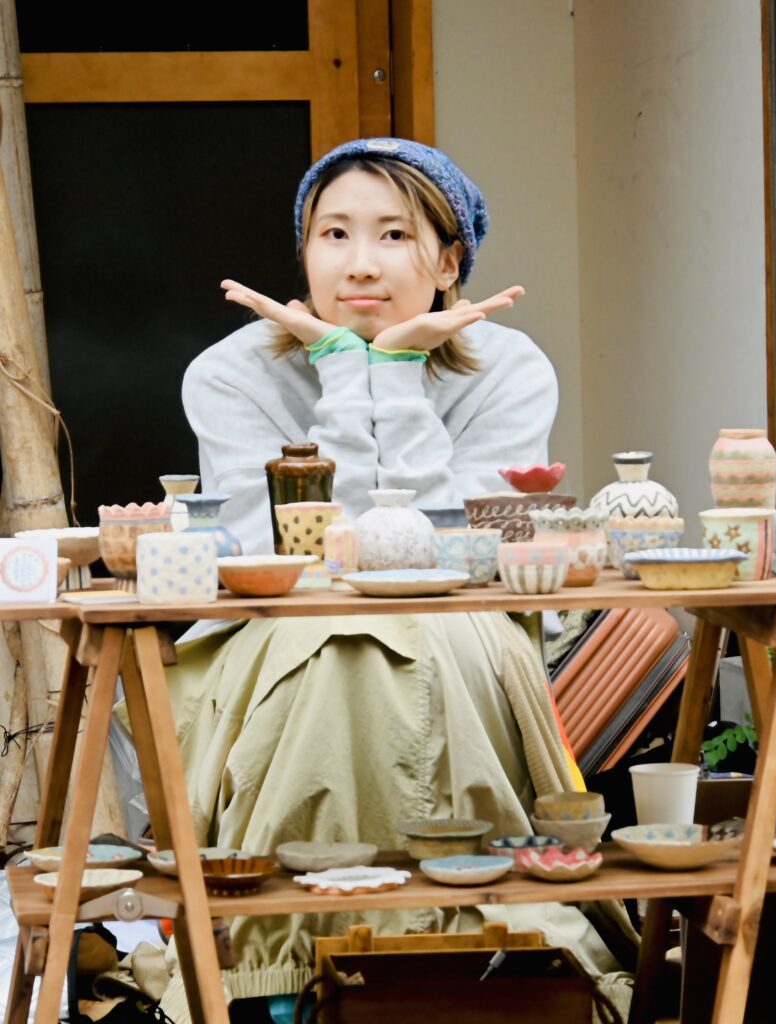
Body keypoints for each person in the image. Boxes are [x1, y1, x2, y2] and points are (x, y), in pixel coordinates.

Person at [154, 138, 633, 1021]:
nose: (361, 264)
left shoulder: (509, 368)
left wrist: (400, 375)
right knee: (339, 652)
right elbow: (285, 555)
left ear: (449, 263)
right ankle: (296, 967)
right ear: (305, 252)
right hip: (272, 631)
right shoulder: (231, 373)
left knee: (399, 650)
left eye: (395, 235)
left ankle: (426, 961)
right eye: (334, 234)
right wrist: (346, 372)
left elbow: (457, 549)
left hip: (464, 626)